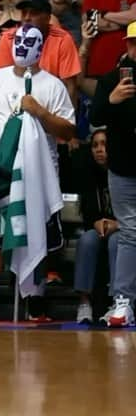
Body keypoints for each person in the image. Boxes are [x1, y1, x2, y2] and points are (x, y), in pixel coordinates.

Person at [0, 23, 76, 322]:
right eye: (17, 40)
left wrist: (40, 112)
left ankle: (36, 300)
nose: (21, 46)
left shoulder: (53, 85)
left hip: (38, 177)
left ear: (41, 48)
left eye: (29, 42)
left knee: (37, 233)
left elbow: (69, 130)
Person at [90, 21, 136, 327]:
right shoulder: (110, 80)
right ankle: (123, 301)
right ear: (127, 44)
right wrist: (112, 100)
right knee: (130, 234)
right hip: (123, 168)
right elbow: (94, 118)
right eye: (134, 42)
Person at [73, 128, 119, 324]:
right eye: (95, 145)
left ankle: (119, 302)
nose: (100, 150)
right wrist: (96, 222)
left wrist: (118, 224)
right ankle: (84, 302)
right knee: (87, 239)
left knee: (117, 242)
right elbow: (88, 211)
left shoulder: (125, 174)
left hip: (123, 228)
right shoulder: (87, 173)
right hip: (97, 227)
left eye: (105, 145)